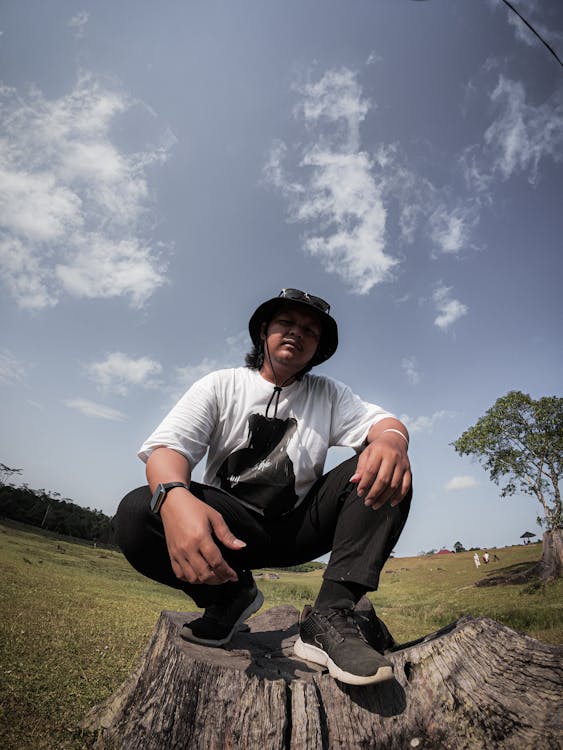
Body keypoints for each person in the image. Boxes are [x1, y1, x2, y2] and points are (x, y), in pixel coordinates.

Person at [114, 288, 412, 686]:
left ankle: (331, 614)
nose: (297, 333)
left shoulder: (328, 394)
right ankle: (228, 598)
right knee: (137, 512)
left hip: (299, 525)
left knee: (386, 466)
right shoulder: (222, 384)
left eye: (310, 329)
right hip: (229, 527)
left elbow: (384, 424)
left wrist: (393, 440)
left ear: (319, 348)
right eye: (286, 323)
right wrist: (174, 496)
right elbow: (167, 450)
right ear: (263, 333)